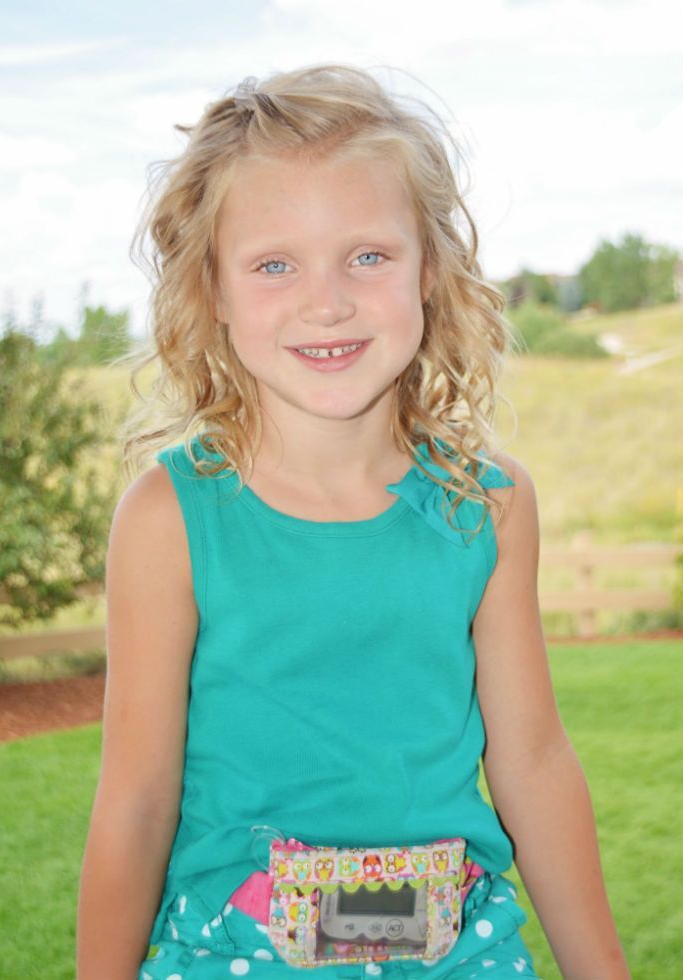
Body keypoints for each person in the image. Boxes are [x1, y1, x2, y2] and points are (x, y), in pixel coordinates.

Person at [76, 64, 629, 980]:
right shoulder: (169, 518)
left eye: (368, 255)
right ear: (212, 289)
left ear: (431, 273)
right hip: (232, 955)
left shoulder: (486, 505)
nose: (325, 301)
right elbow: (135, 798)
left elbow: (532, 761)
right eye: (274, 263)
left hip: (460, 953)